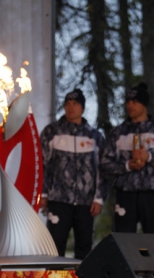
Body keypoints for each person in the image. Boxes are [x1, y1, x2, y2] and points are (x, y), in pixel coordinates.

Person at [100, 82, 154, 242]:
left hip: (153, 194)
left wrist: (148, 157)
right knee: (122, 243)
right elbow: (105, 164)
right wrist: (127, 165)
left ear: (144, 104)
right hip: (125, 194)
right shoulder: (118, 133)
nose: (130, 105)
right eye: (128, 102)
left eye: (135, 102)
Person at [40, 88, 108, 260]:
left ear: (82, 108)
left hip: (86, 202)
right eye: (68, 104)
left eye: (75, 104)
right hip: (58, 199)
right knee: (54, 246)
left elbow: (102, 169)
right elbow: (43, 164)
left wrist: (99, 198)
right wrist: (44, 194)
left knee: (84, 247)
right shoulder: (52, 132)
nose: (71, 107)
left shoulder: (94, 136)